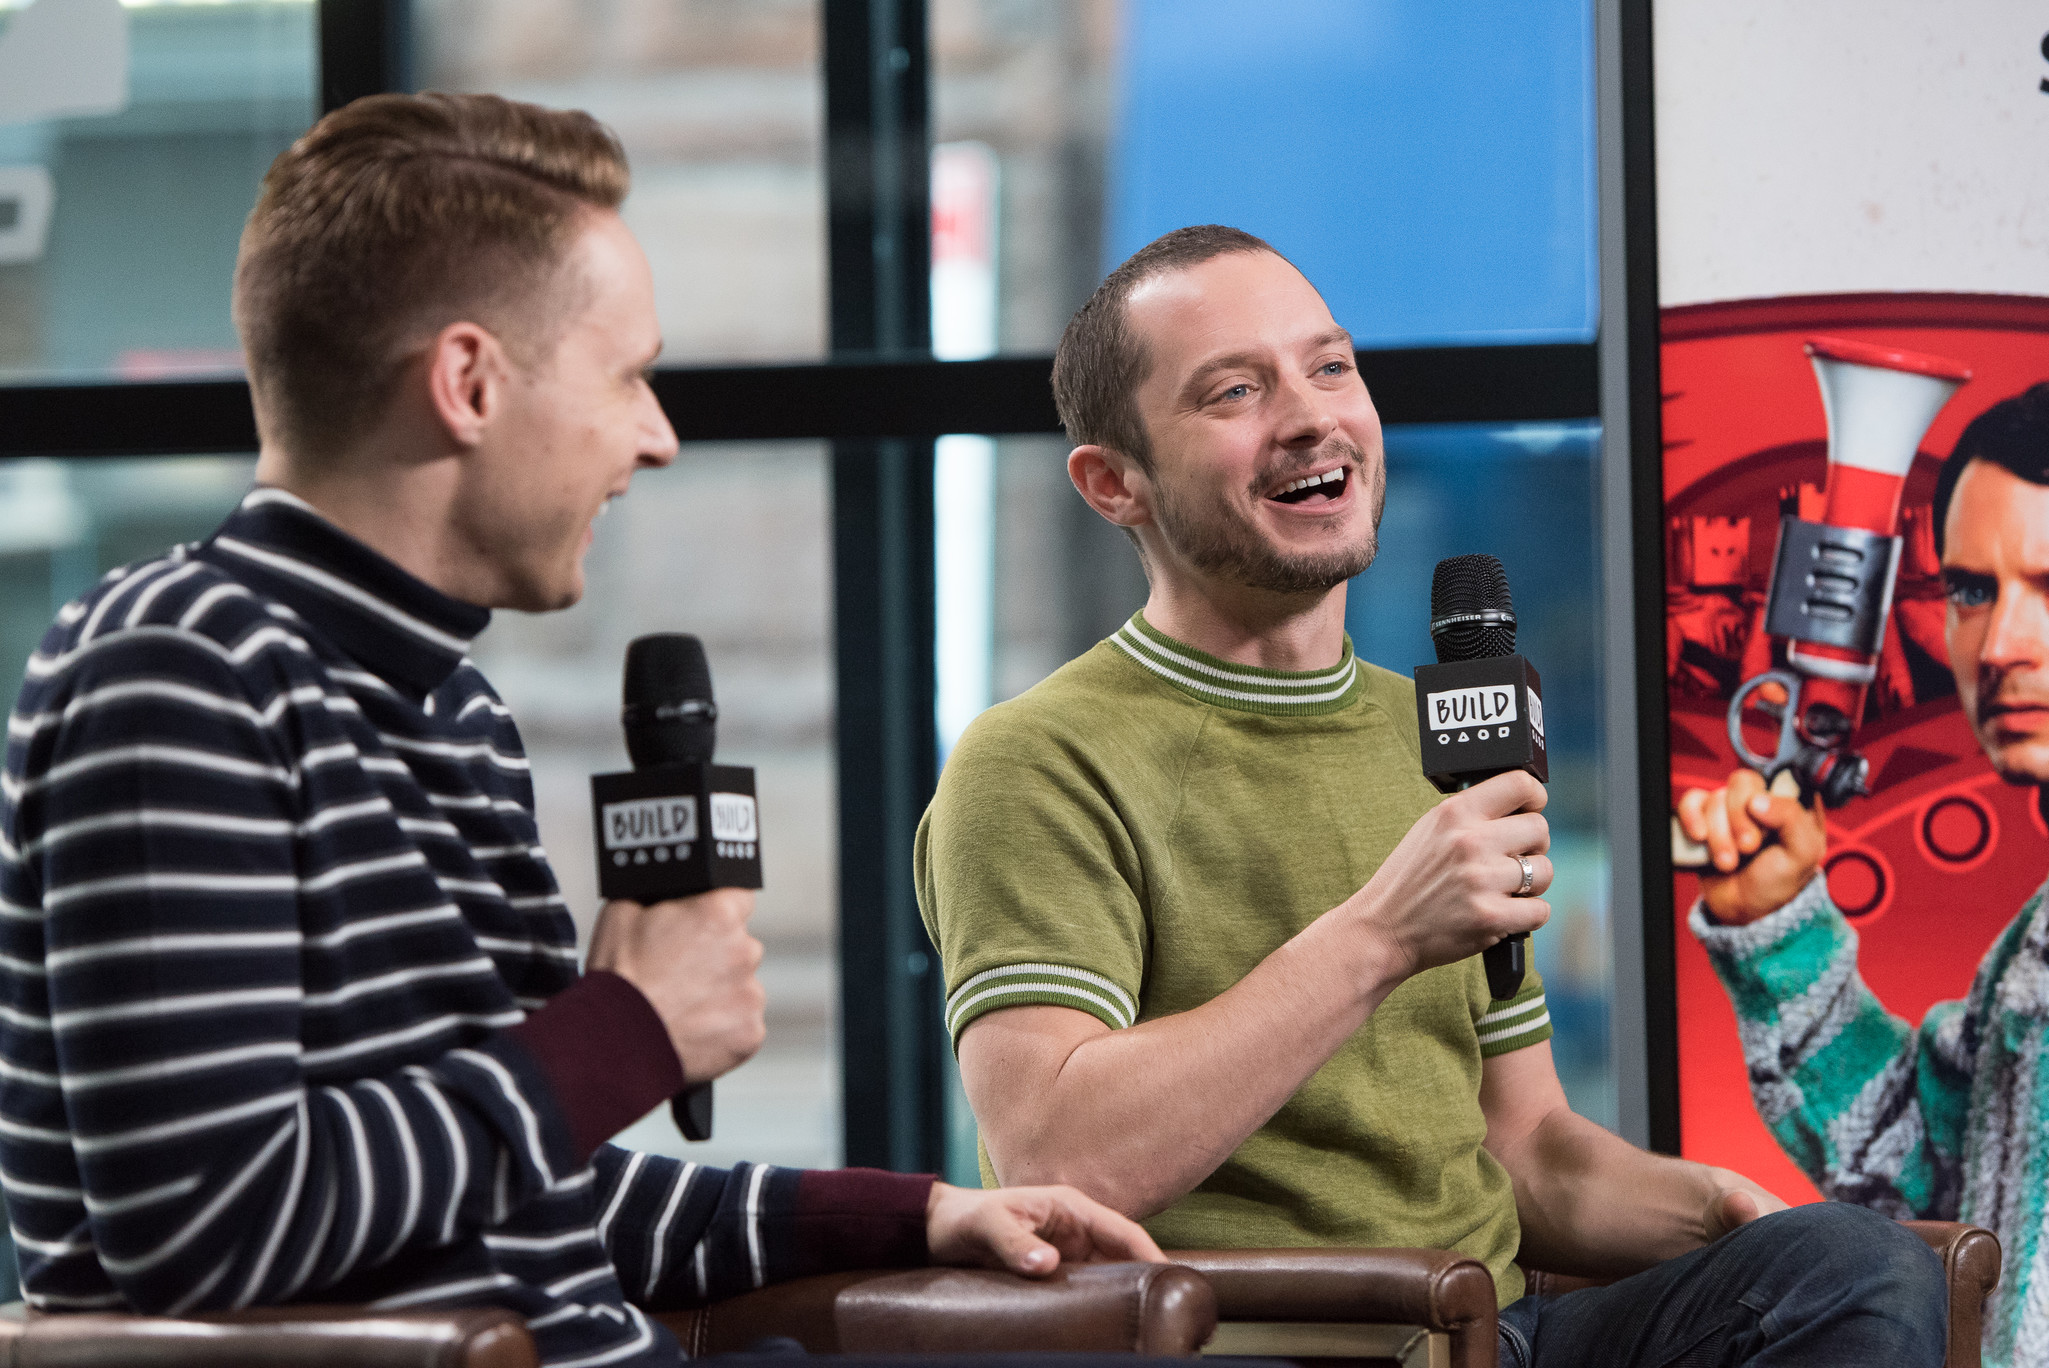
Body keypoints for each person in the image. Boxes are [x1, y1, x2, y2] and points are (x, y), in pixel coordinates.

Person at [0, 93, 1167, 1368]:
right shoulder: (178, 670)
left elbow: (511, 1201)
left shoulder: (447, 704)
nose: (656, 438)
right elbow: (215, 1227)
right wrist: (627, 1031)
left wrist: (918, 1213)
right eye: (627, 377)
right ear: (468, 383)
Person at [916, 224, 1949, 1366]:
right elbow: (1062, 1161)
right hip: (1270, 1346)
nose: (1312, 415)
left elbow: (1528, 1147)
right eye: (1235, 391)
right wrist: (1379, 935)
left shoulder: (1440, 731)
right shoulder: (1038, 761)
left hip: (1500, 1336)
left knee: (1855, 1264)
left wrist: (1713, 1211)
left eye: (1330, 365)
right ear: (1115, 483)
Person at [1677, 381, 2049, 1365]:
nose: (2003, 646)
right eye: (1973, 589)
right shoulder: (2035, 946)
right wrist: (1782, 931)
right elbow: (1931, 1190)